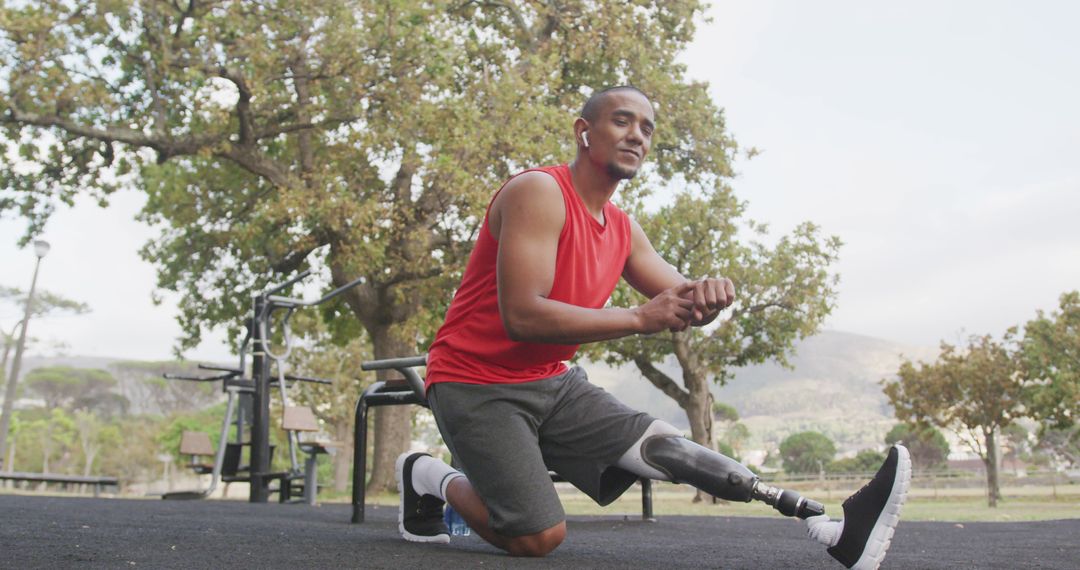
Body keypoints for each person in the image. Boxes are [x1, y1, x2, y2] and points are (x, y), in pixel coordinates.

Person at [395, 86, 910, 569]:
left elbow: (679, 300)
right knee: (538, 538)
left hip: (550, 379)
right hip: (474, 381)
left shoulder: (622, 228)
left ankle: (829, 525)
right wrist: (642, 318)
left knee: (663, 447)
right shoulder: (538, 192)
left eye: (646, 128)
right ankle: (426, 473)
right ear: (584, 131)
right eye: (621, 121)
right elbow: (524, 316)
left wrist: (707, 295)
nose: (637, 134)